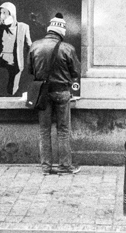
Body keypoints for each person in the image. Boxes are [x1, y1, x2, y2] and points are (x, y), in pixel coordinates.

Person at [28, 13, 81, 174]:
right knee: (63, 130)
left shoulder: (35, 46)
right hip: (62, 92)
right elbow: (76, 72)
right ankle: (65, 166)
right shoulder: (67, 48)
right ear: (61, 32)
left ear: (49, 29)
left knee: (44, 130)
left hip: (43, 93)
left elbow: (31, 70)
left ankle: (46, 167)